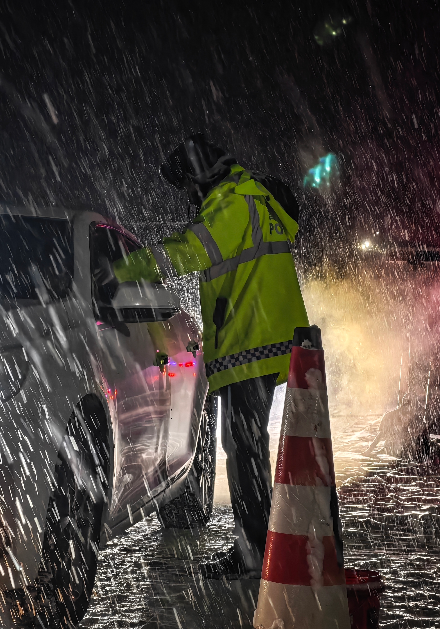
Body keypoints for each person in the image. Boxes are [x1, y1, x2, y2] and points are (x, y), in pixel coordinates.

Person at [111, 134, 310, 578]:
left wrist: (124, 269)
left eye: (187, 185)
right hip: (273, 339)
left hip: (248, 343)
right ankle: (272, 547)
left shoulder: (232, 202)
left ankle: (255, 552)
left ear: (202, 177)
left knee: (243, 452)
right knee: (254, 449)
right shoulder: (256, 199)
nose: (189, 197)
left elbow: (190, 251)